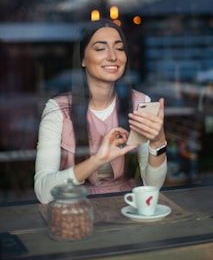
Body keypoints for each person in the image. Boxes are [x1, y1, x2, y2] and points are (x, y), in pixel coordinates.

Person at [34, 19, 167, 204]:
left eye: (119, 48)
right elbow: (43, 192)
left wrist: (158, 142)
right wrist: (96, 160)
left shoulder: (140, 103)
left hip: (126, 207)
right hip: (74, 213)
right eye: (100, 48)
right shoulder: (58, 110)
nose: (113, 56)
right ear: (82, 59)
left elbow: (152, 186)